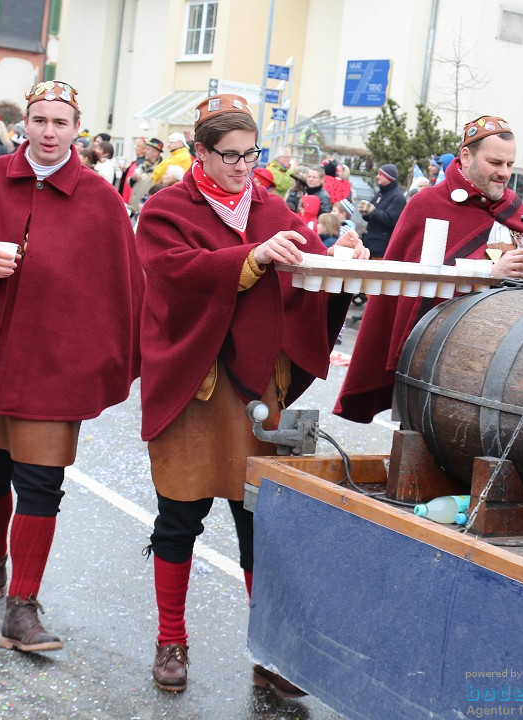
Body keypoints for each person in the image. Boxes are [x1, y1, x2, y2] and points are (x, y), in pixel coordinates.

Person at [133, 93, 367, 695]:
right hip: (196, 384)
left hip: (260, 389)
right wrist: (251, 257)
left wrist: (339, 258)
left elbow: (310, 270)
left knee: (260, 524)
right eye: (229, 156)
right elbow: (175, 275)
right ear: (200, 153)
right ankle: (171, 640)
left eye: (250, 154)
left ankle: (271, 651)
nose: (242, 167)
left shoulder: (272, 207)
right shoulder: (165, 208)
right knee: (178, 518)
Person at [0, 80, 144, 654]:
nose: (49, 133)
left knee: (41, 484)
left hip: (57, 366)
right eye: (40, 121)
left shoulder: (102, 200)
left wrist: (109, 358)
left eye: (61, 123)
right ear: (24, 123)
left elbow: (126, 287)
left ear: (79, 129)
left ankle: (21, 607)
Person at [335, 115, 523, 423]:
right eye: (495, 162)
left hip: (499, 358)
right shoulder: (427, 204)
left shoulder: (514, 208)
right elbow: (416, 283)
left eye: (509, 165)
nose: (504, 173)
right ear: (466, 156)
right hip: (434, 354)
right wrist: (487, 273)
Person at [357, 164, 406, 258]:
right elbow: (373, 216)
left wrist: (372, 211)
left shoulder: (398, 197)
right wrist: (365, 213)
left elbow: (392, 220)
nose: (377, 176)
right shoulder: (381, 193)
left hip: (381, 248)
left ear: (388, 177)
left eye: (380, 174)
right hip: (371, 244)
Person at [127, 138, 163, 217]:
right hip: (132, 209)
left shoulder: (160, 170)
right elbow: (129, 183)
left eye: (148, 149)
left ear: (156, 153)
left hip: (145, 212)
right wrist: (132, 179)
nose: (144, 151)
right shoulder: (142, 165)